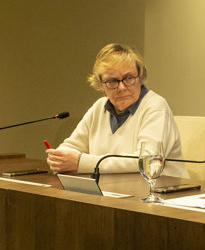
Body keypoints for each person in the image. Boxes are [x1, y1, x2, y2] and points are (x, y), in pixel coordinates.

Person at [46, 43, 186, 177]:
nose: (122, 87)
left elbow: (147, 161)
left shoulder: (155, 107)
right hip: (112, 191)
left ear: (140, 77)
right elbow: (72, 146)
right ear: (101, 85)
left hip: (160, 194)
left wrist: (81, 163)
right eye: (112, 81)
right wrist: (60, 159)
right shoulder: (99, 107)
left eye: (129, 78)